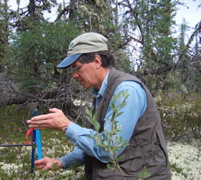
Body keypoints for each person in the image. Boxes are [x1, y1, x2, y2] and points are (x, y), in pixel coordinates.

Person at [27, 32, 171, 179]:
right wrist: (61, 162)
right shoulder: (100, 92)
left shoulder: (126, 91)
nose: (74, 75)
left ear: (97, 61)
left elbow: (109, 149)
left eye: (77, 68)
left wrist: (66, 126)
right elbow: (96, 142)